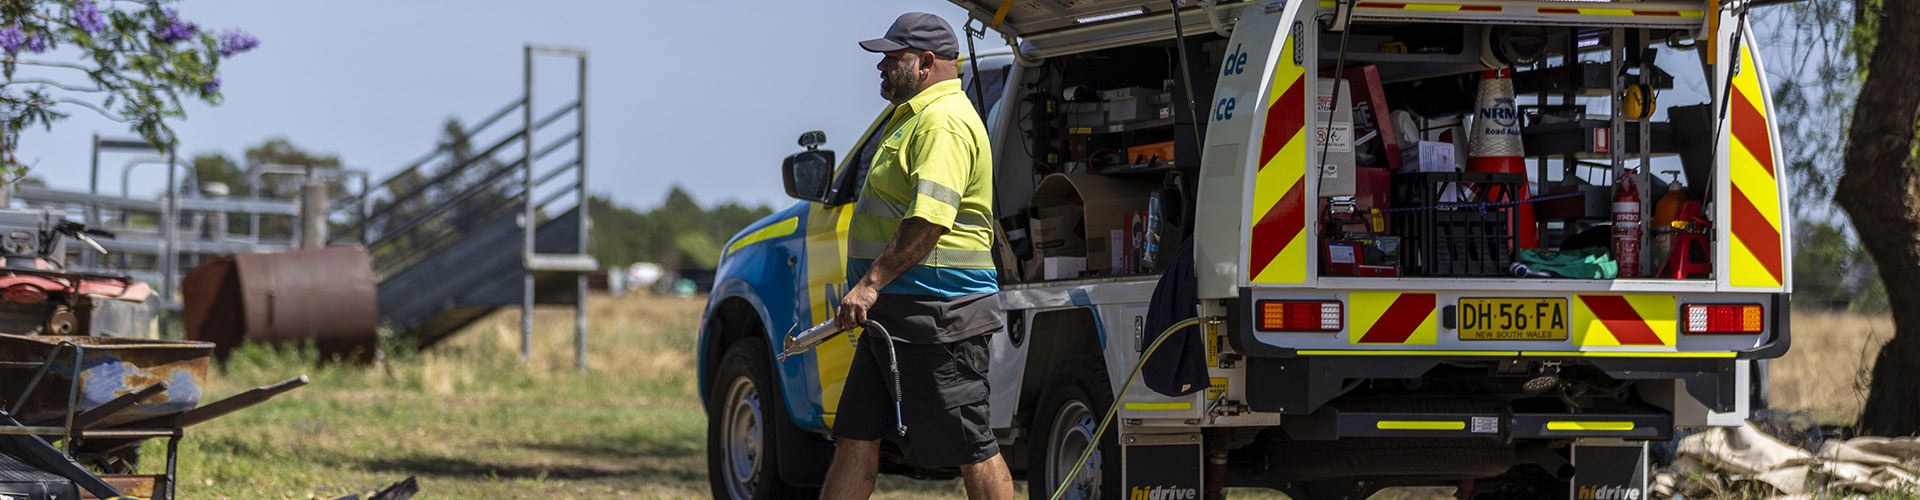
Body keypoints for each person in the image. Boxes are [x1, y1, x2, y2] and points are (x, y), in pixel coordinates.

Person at [822, 11, 1011, 500]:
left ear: (926, 62)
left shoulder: (942, 123)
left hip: (939, 316)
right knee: (855, 438)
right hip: (893, 316)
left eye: (891, 58)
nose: (881, 67)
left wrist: (869, 283)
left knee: (974, 447)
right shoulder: (914, 118)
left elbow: (929, 220)